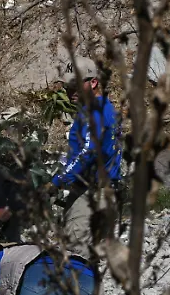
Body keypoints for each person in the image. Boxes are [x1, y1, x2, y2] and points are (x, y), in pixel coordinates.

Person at [52, 57, 123, 260]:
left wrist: (57, 181)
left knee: (76, 255)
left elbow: (87, 152)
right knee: (94, 257)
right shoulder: (105, 108)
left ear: (93, 82)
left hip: (90, 193)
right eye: (68, 85)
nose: (70, 90)